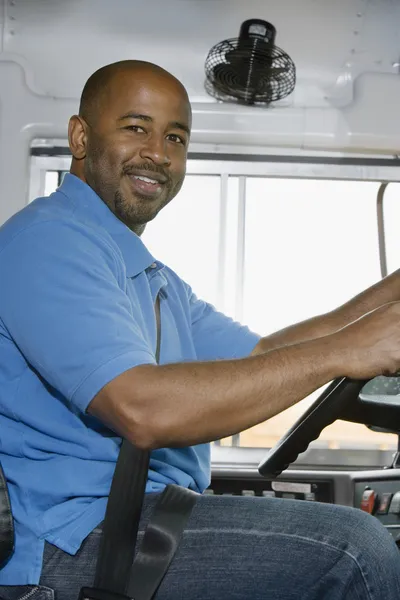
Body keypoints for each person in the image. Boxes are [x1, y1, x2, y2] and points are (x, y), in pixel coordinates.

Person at [0, 60, 400, 600]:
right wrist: (346, 351)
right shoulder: (47, 241)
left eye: (175, 138)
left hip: (146, 518)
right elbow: (144, 410)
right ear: (80, 135)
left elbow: (265, 353)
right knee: (356, 549)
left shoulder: (149, 275)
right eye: (135, 128)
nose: (158, 154)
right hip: (79, 542)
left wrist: (387, 300)